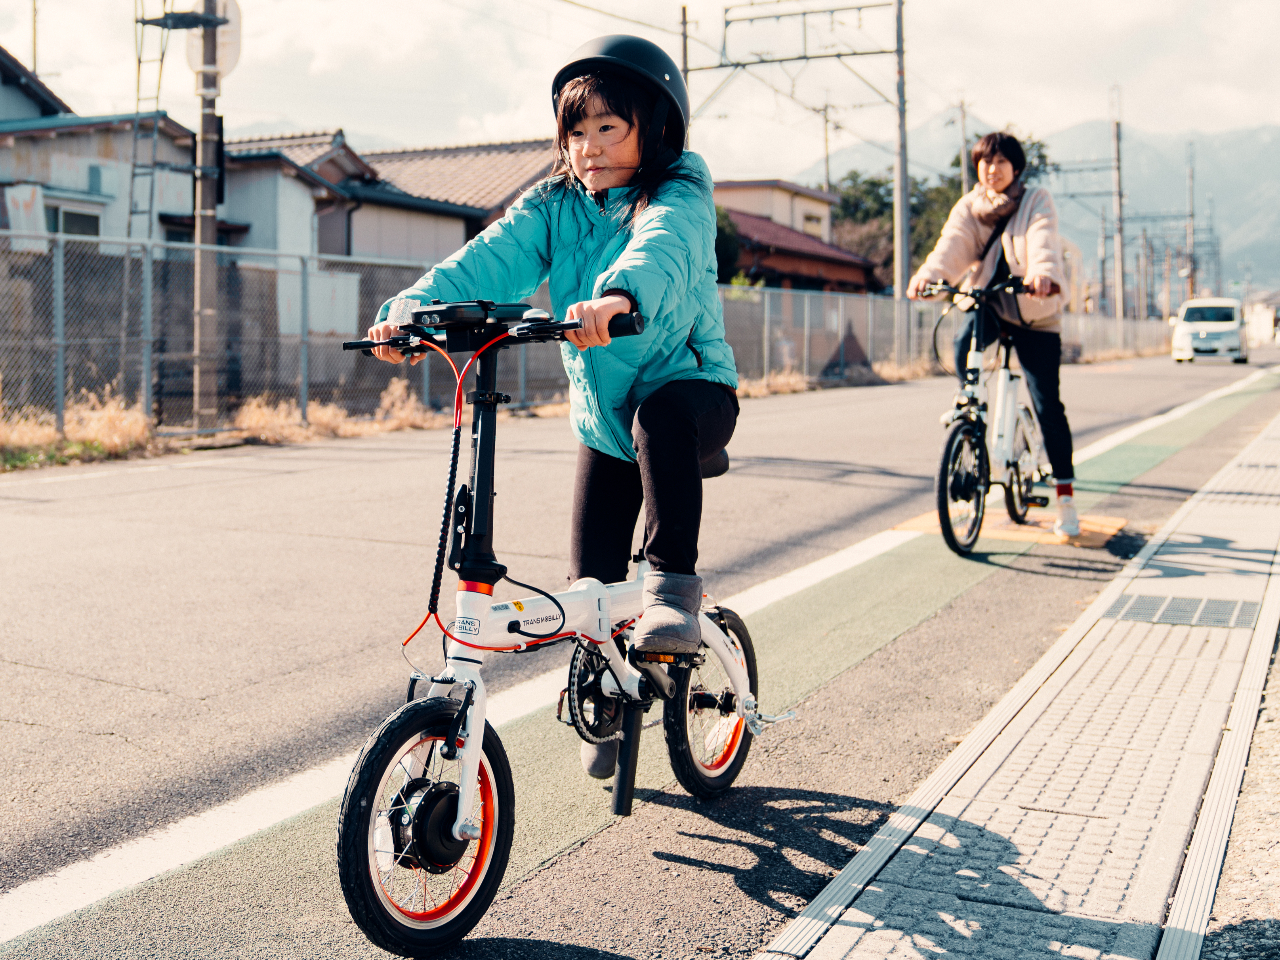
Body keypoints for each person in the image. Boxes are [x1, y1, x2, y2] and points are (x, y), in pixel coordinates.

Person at [365, 35, 739, 775]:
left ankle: (673, 591)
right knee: (589, 591)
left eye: (609, 127)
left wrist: (617, 296)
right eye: (576, 131)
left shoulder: (680, 191)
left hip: (690, 393)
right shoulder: (554, 205)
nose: (589, 147)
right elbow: (485, 258)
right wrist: (411, 311)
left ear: (655, 129)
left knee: (657, 418)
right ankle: (605, 695)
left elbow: (663, 248)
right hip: (604, 425)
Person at [906, 131, 1079, 537]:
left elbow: (1042, 240)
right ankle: (969, 405)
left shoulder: (1036, 200)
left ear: (1016, 168)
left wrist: (1043, 273)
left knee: (1046, 403)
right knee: (964, 334)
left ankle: (1066, 499)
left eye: (1001, 162)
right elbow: (952, 246)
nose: (992, 169)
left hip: (1032, 309)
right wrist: (929, 276)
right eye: (985, 161)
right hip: (988, 301)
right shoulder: (970, 205)